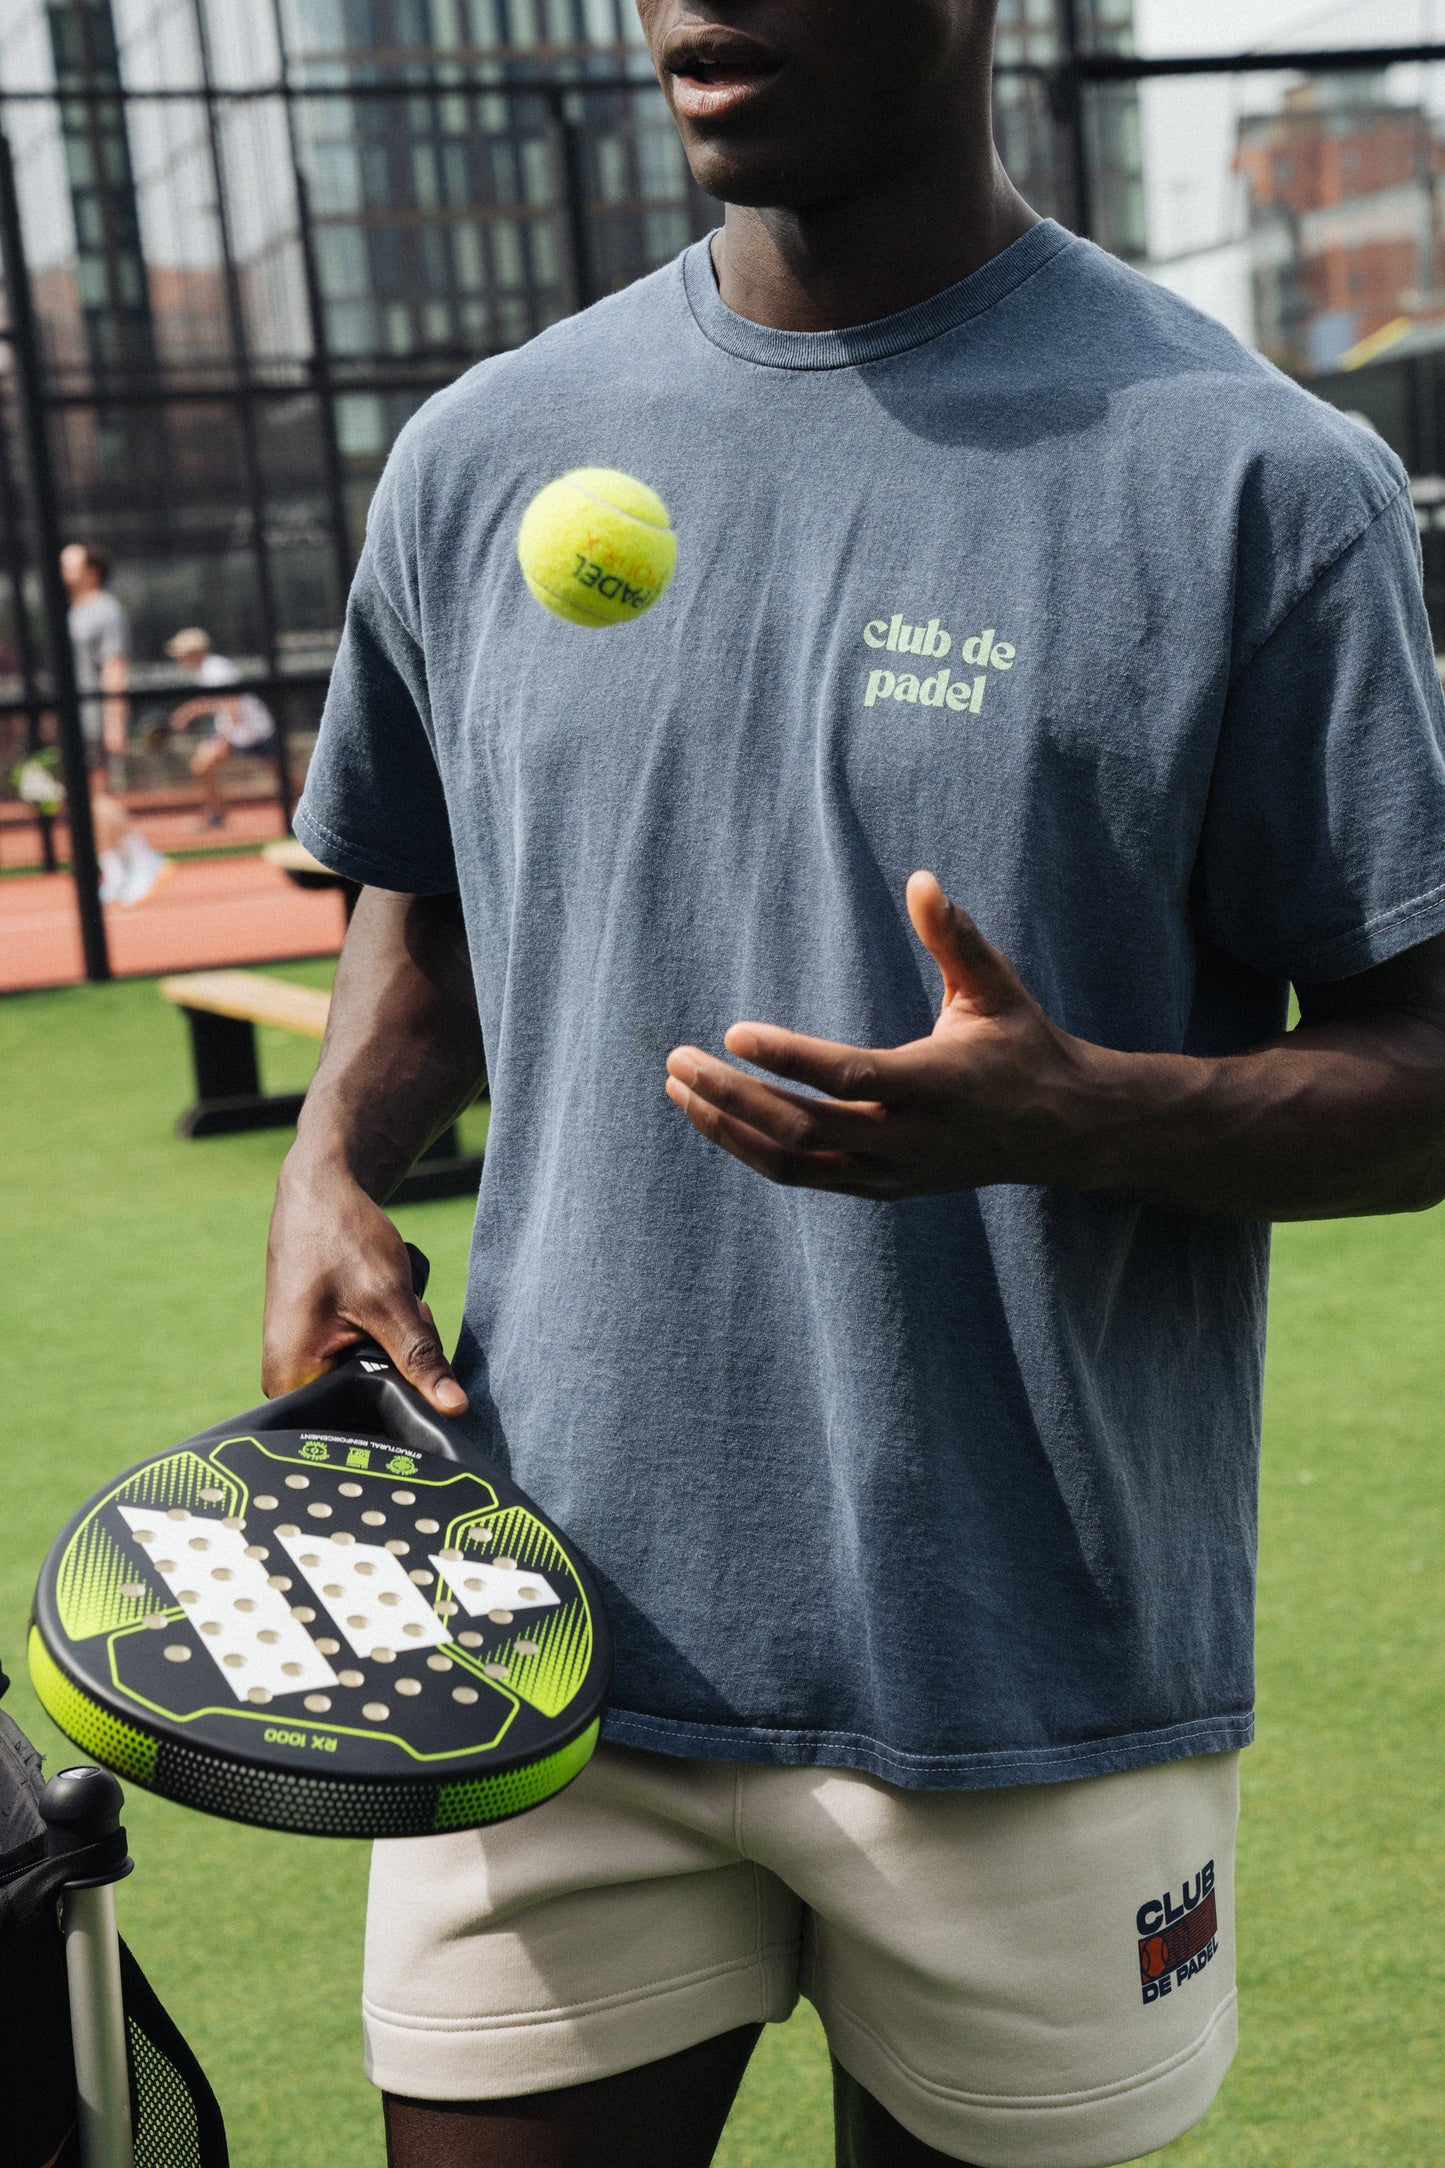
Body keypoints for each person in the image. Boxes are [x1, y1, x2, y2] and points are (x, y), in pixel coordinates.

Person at [264, 4, 1445, 2164]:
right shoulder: (478, 448)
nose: (701, 9)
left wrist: (1078, 1110)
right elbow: (420, 911)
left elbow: (1423, 1069)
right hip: (541, 1658)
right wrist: (334, 1162)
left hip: (1029, 1688)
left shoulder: (1253, 479)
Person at [60, 541, 168, 906]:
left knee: (96, 797)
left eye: (70, 564)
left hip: (94, 716)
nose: (63, 570)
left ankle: (143, 858)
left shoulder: (105, 610)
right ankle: (117, 870)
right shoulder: (74, 610)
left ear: (92, 572)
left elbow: (114, 668)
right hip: (76, 716)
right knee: (87, 800)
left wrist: (114, 720)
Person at [163, 627, 277, 831]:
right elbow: (214, 702)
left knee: (281, 772)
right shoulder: (207, 670)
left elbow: (232, 705)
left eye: (181, 653)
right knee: (202, 767)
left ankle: (319, 802)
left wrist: (224, 739)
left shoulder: (215, 670)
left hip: (251, 730)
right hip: (240, 731)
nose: (179, 658)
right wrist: (188, 712)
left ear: (194, 652)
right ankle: (216, 815)